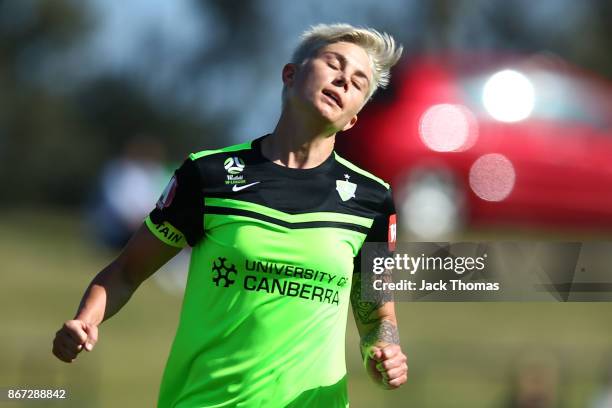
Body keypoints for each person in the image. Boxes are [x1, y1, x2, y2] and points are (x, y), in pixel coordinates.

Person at [52, 23, 408, 407]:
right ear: (290, 74)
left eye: (357, 83)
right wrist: (86, 320)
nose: (343, 81)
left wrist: (386, 352)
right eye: (333, 64)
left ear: (354, 118)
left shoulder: (373, 200)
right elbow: (126, 272)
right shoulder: (209, 175)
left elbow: (376, 317)